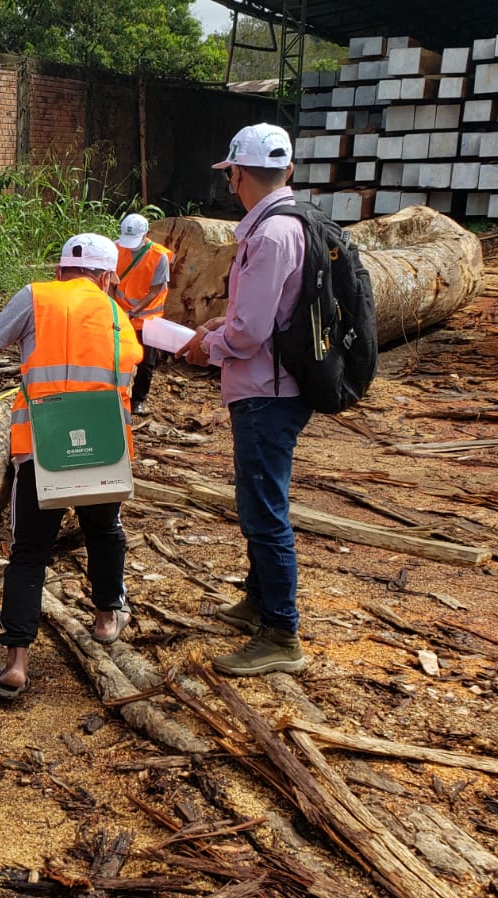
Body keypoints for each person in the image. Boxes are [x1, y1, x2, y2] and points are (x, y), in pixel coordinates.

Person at [0, 233, 144, 698]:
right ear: (107, 277)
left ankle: (17, 663)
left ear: (61, 271)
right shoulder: (117, 315)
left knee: (29, 553)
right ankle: (107, 616)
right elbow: (133, 374)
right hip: (104, 450)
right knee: (104, 532)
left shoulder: (35, 296)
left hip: (41, 450)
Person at [177, 123, 310, 677]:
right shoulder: (290, 223)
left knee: (264, 511)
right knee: (259, 502)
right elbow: (264, 315)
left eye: (230, 173)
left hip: (266, 391)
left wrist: (206, 344)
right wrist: (222, 324)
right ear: (288, 170)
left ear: (236, 175)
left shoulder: (272, 236)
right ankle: (259, 601)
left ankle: (281, 632)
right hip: (274, 385)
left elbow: (250, 334)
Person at [113, 212, 172, 416]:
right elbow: (111, 280)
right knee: (114, 357)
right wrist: (114, 307)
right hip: (119, 314)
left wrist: (134, 311)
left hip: (147, 319)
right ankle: (113, 395)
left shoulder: (158, 256)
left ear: (146, 233)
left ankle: (139, 399)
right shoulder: (116, 248)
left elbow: (156, 289)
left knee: (147, 362)